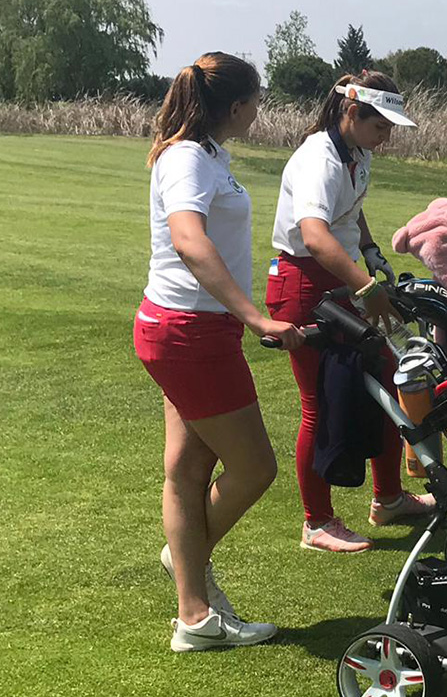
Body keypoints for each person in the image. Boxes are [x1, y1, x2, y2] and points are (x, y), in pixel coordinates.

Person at [135, 52, 303, 651]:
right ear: (236, 106)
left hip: (186, 329)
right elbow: (188, 240)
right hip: (189, 333)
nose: (259, 112)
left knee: (186, 471)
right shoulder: (186, 158)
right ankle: (190, 581)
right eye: (256, 102)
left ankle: (195, 612)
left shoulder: (205, 154)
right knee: (256, 467)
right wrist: (256, 315)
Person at [267, 70, 434, 553]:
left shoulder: (353, 152)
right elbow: (316, 236)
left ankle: (388, 497)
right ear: (351, 112)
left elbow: (350, 209)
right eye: (380, 127)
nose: (385, 139)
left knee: (386, 380)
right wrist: (367, 287)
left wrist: (371, 250)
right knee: (318, 404)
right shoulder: (319, 157)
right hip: (303, 284)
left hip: (337, 278)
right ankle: (316, 521)